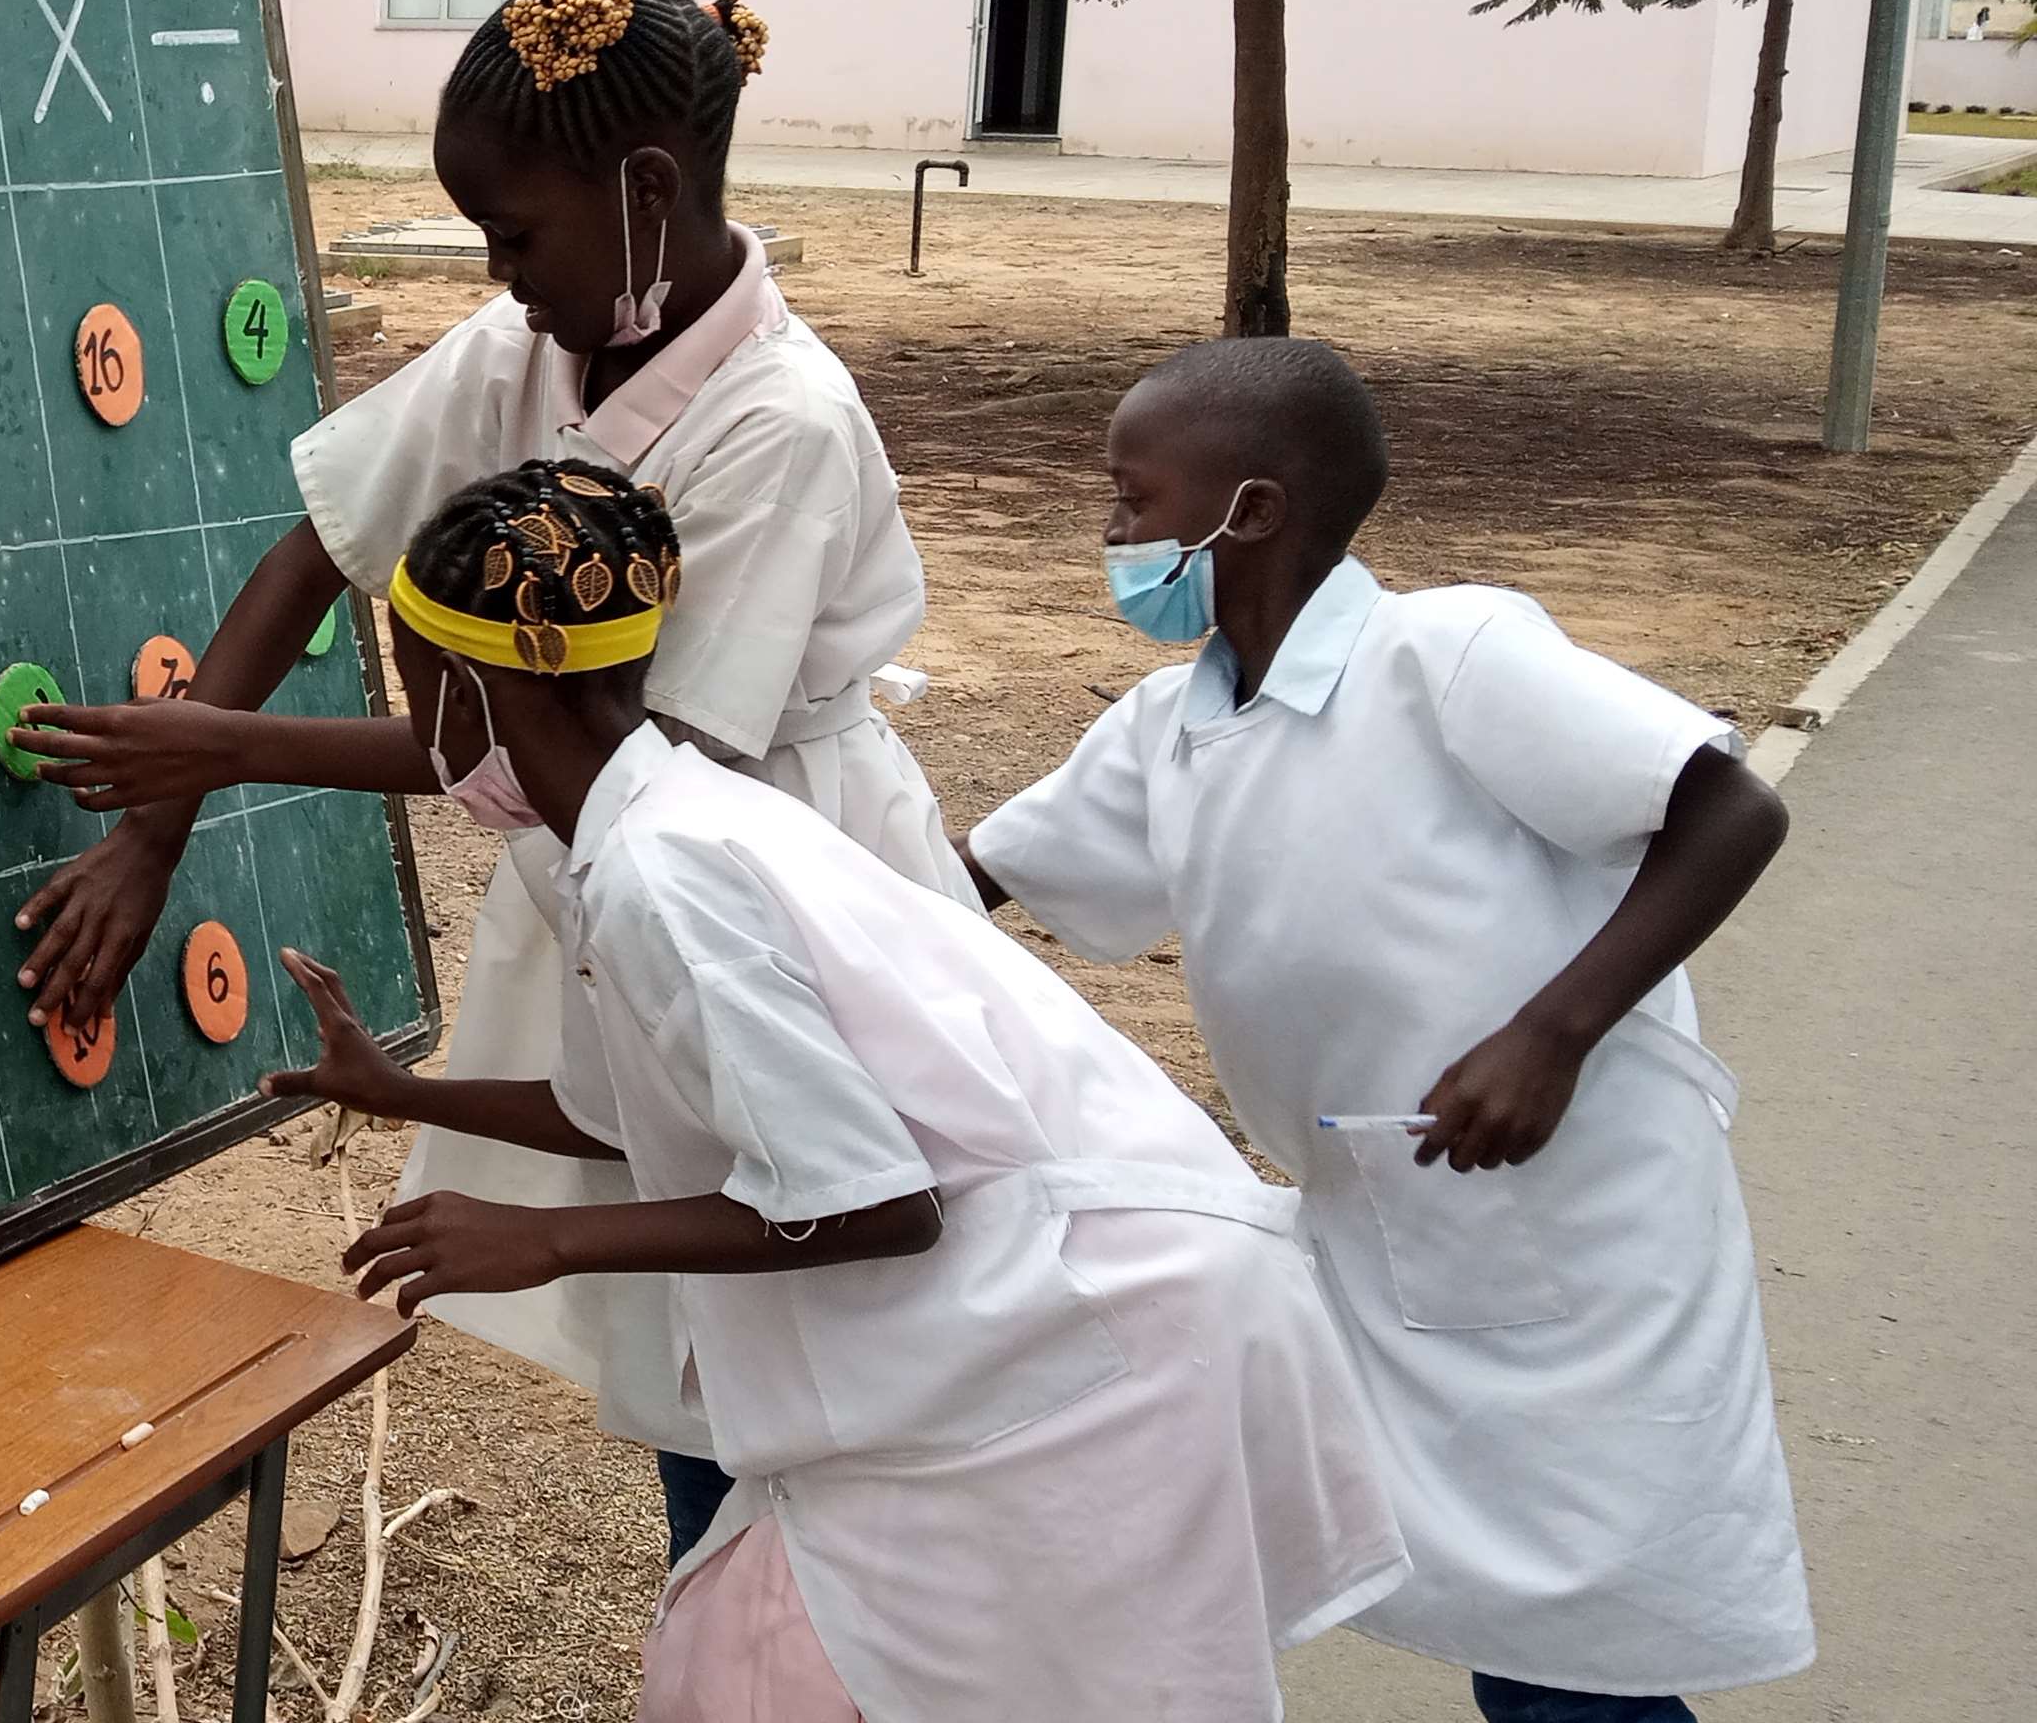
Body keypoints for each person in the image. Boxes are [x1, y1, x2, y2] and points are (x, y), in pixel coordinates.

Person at [3, 0, 964, 1557]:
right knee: (700, 1319)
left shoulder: (778, 424)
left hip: (768, 860)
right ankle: (732, 1596)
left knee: (804, 1313)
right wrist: (154, 840)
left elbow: (628, 759)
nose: (499, 276)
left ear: (646, 193)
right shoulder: (539, 341)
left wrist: (229, 748)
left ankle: (791, 1611)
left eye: (515, 236)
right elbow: (323, 543)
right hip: (614, 852)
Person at [269, 460, 1403, 1723]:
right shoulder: (649, 829)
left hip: (1092, 1345)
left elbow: (874, 1205)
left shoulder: (668, 871)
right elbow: (627, 1114)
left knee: (770, 1672)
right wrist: (405, 1094)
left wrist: (546, 1238)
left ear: (466, 684)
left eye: (416, 684)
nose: (420, 729)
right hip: (1069, 1315)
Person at [961, 337, 1812, 1723]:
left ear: (1254, 510)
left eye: (1131, 498)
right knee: (1463, 1603)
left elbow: (1731, 809)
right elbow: (978, 879)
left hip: (1574, 1216)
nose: (1110, 536)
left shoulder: (1449, 655)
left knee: (1577, 1650)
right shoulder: (1173, 724)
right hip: (1385, 1222)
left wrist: (1552, 1033)